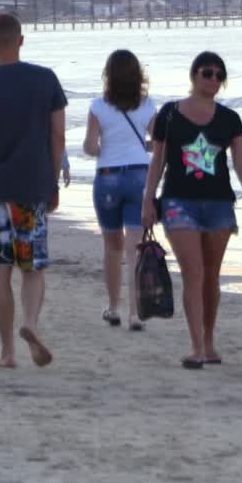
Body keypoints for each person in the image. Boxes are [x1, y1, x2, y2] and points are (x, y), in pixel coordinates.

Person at [141, 51, 242, 369]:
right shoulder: (169, 114)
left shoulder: (229, 119)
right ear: (194, 75)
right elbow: (159, 160)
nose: (214, 80)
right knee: (193, 274)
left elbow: (240, 161)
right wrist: (148, 199)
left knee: (211, 276)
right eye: (208, 73)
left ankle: (209, 342)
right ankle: (195, 347)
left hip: (219, 203)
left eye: (220, 75)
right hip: (179, 202)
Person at [0, 12, 65, 368]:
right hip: (33, 185)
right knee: (33, 266)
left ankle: (7, 352)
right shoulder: (45, 79)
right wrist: (53, 177)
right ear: (21, 40)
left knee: (0, 269)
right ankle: (29, 324)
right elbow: (57, 134)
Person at [83, 49, 157, 330]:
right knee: (135, 248)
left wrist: (103, 149)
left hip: (108, 176)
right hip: (140, 176)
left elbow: (90, 147)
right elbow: (158, 142)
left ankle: (114, 307)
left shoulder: (99, 106)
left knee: (111, 245)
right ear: (138, 75)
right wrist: (141, 148)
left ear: (109, 75)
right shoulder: (148, 105)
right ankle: (136, 314)